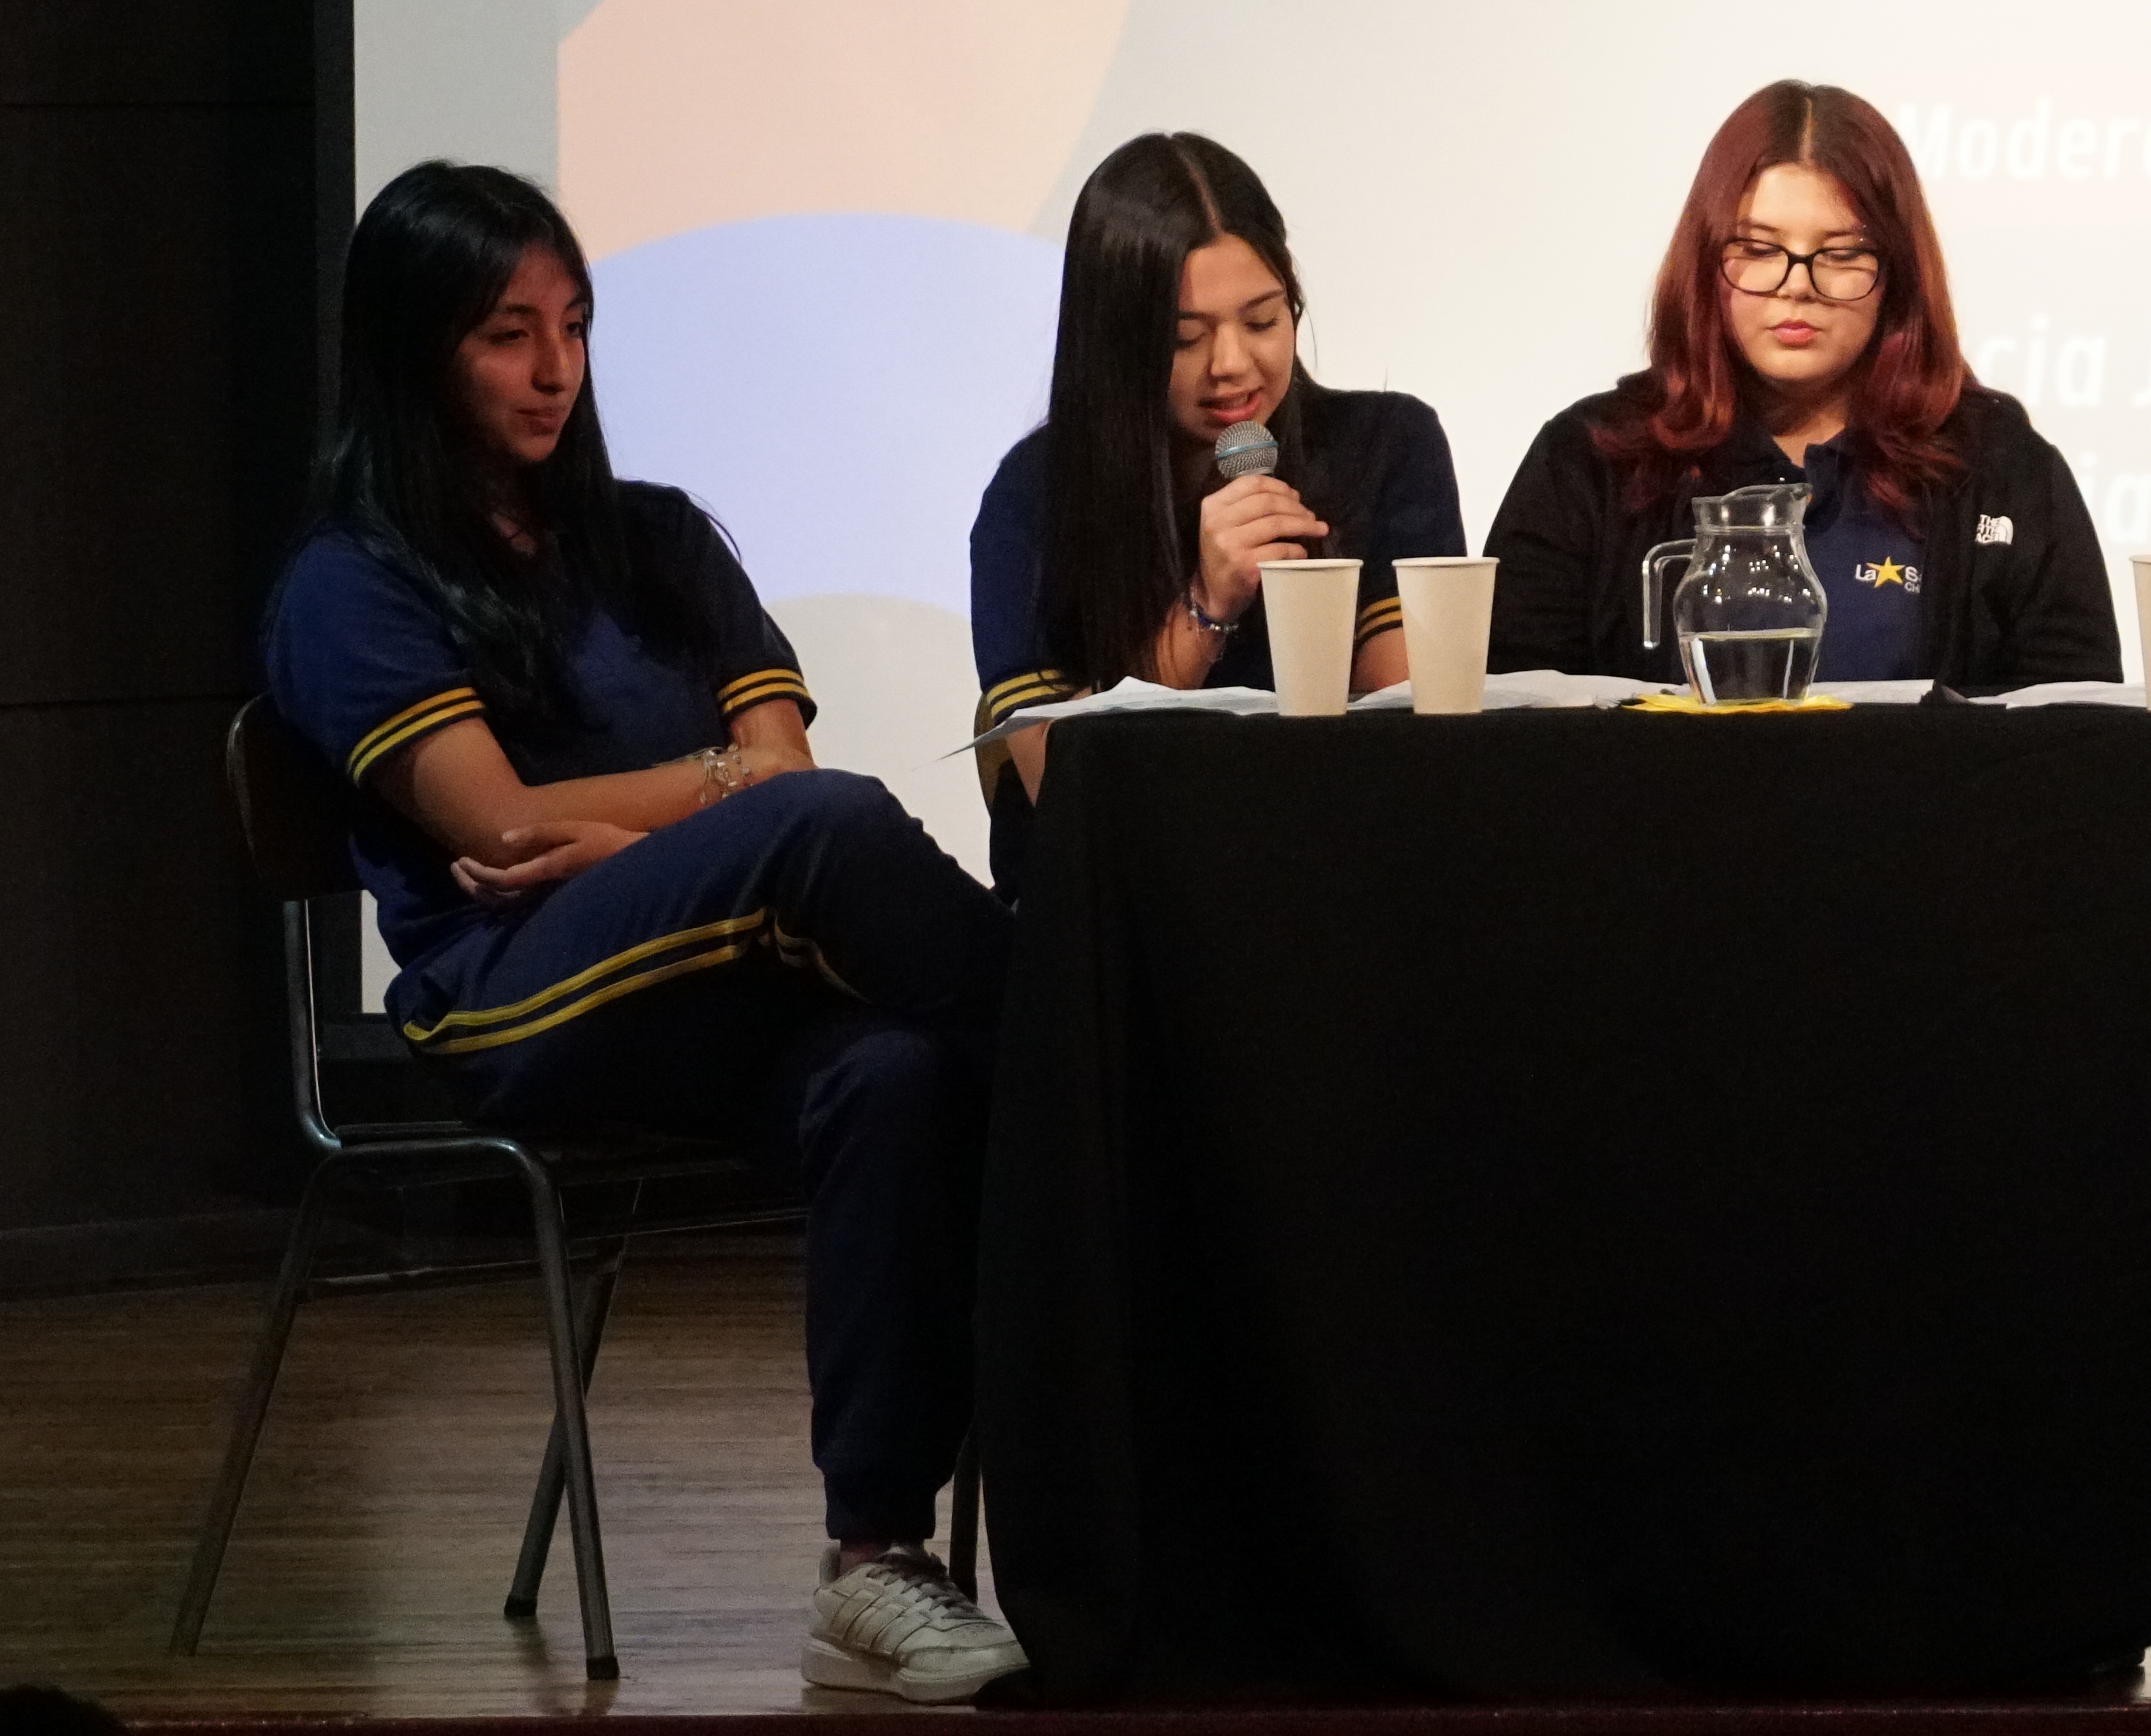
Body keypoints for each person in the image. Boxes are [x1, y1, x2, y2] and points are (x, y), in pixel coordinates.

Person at [260, 162, 1026, 1702]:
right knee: (822, 833)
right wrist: (721, 805)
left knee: (892, 1075)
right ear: (415, 351)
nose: (555, 368)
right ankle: (1093, 1067)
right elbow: (501, 829)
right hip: (507, 993)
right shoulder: (351, 586)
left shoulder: (661, 537)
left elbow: (774, 762)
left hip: (718, 992)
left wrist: (651, 835)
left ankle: (872, 1562)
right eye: (507, 334)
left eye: (575, 325)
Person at [1483, 80, 2117, 692]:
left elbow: (2076, 727)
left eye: (1840, 254)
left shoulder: (1998, 463)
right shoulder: (1588, 458)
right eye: (1759, 249)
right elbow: (1514, 718)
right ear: (1705, 263)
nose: (1797, 285)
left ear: (1897, 275)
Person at [967, 133, 1462, 870]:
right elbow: (1056, 781)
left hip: (1336, 870)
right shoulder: (1037, 495)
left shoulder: (1386, 445)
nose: (1232, 365)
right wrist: (1205, 606)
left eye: (1262, 321)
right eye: (1183, 339)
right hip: (1124, 893)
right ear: (1115, 342)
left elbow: (1418, 737)